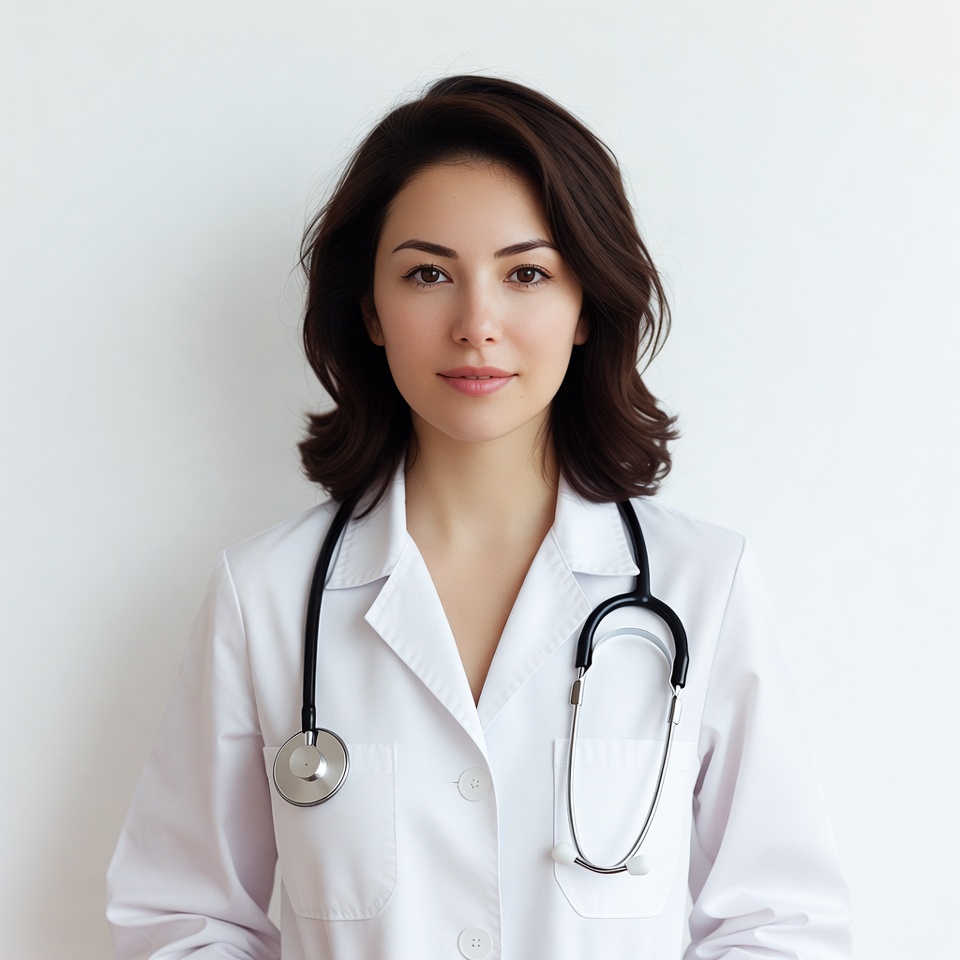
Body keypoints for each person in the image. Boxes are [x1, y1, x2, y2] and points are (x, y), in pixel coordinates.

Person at [107, 75, 852, 959]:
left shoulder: (703, 585)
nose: (476, 323)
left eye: (526, 273)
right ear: (371, 314)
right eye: (428, 274)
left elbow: (779, 924)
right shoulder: (264, 595)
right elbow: (183, 920)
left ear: (585, 310)